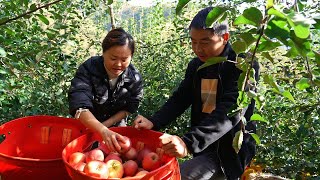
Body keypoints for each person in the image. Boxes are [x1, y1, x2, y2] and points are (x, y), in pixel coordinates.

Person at [133, 7, 259, 180]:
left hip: (228, 151)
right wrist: (154, 121)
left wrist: (188, 143)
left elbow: (230, 112)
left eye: (205, 42)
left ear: (225, 38)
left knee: (180, 176)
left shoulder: (242, 65)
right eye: (193, 42)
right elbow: (181, 98)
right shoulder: (197, 66)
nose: (198, 49)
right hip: (203, 146)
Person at [68, 27, 143, 152]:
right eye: (113, 58)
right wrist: (101, 129)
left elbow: (131, 106)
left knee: (117, 158)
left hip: (117, 129)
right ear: (103, 53)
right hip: (88, 125)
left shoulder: (134, 78)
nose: (118, 64)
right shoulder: (89, 69)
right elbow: (80, 104)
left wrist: (107, 125)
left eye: (124, 60)